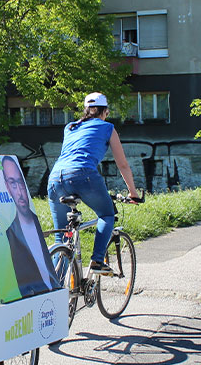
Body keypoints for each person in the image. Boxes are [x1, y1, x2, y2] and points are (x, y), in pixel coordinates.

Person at [47, 92, 140, 275]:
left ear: (86, 110)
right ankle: (97, 261)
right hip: (83, 175)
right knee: (107, 215)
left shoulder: (70, 127)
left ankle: (55, 290)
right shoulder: (107, 128)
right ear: (105, 111)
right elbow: (122, 164)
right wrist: (133, 193)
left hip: (55, 178)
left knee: (62, 237)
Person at [2, 156, 56, 297]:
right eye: (13, 184)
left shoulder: (36, 224)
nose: (20, 192)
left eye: (20, 182)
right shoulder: (9, 235)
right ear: (7, 187)